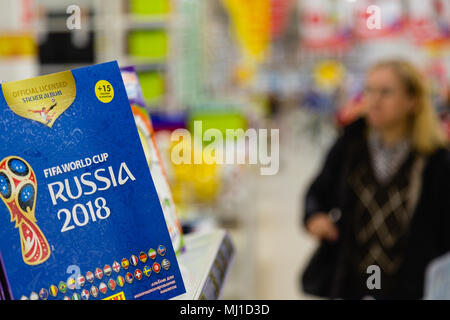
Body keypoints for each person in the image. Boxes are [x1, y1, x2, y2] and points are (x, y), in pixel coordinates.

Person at [301, 59, 450, 300]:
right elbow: (318, 191)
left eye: (386, 92)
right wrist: (315, 216)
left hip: (411, 286)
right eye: (369, 90)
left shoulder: (436, 162)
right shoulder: (350, 146)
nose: (374, 100)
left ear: (412, 101)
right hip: (353, 281)